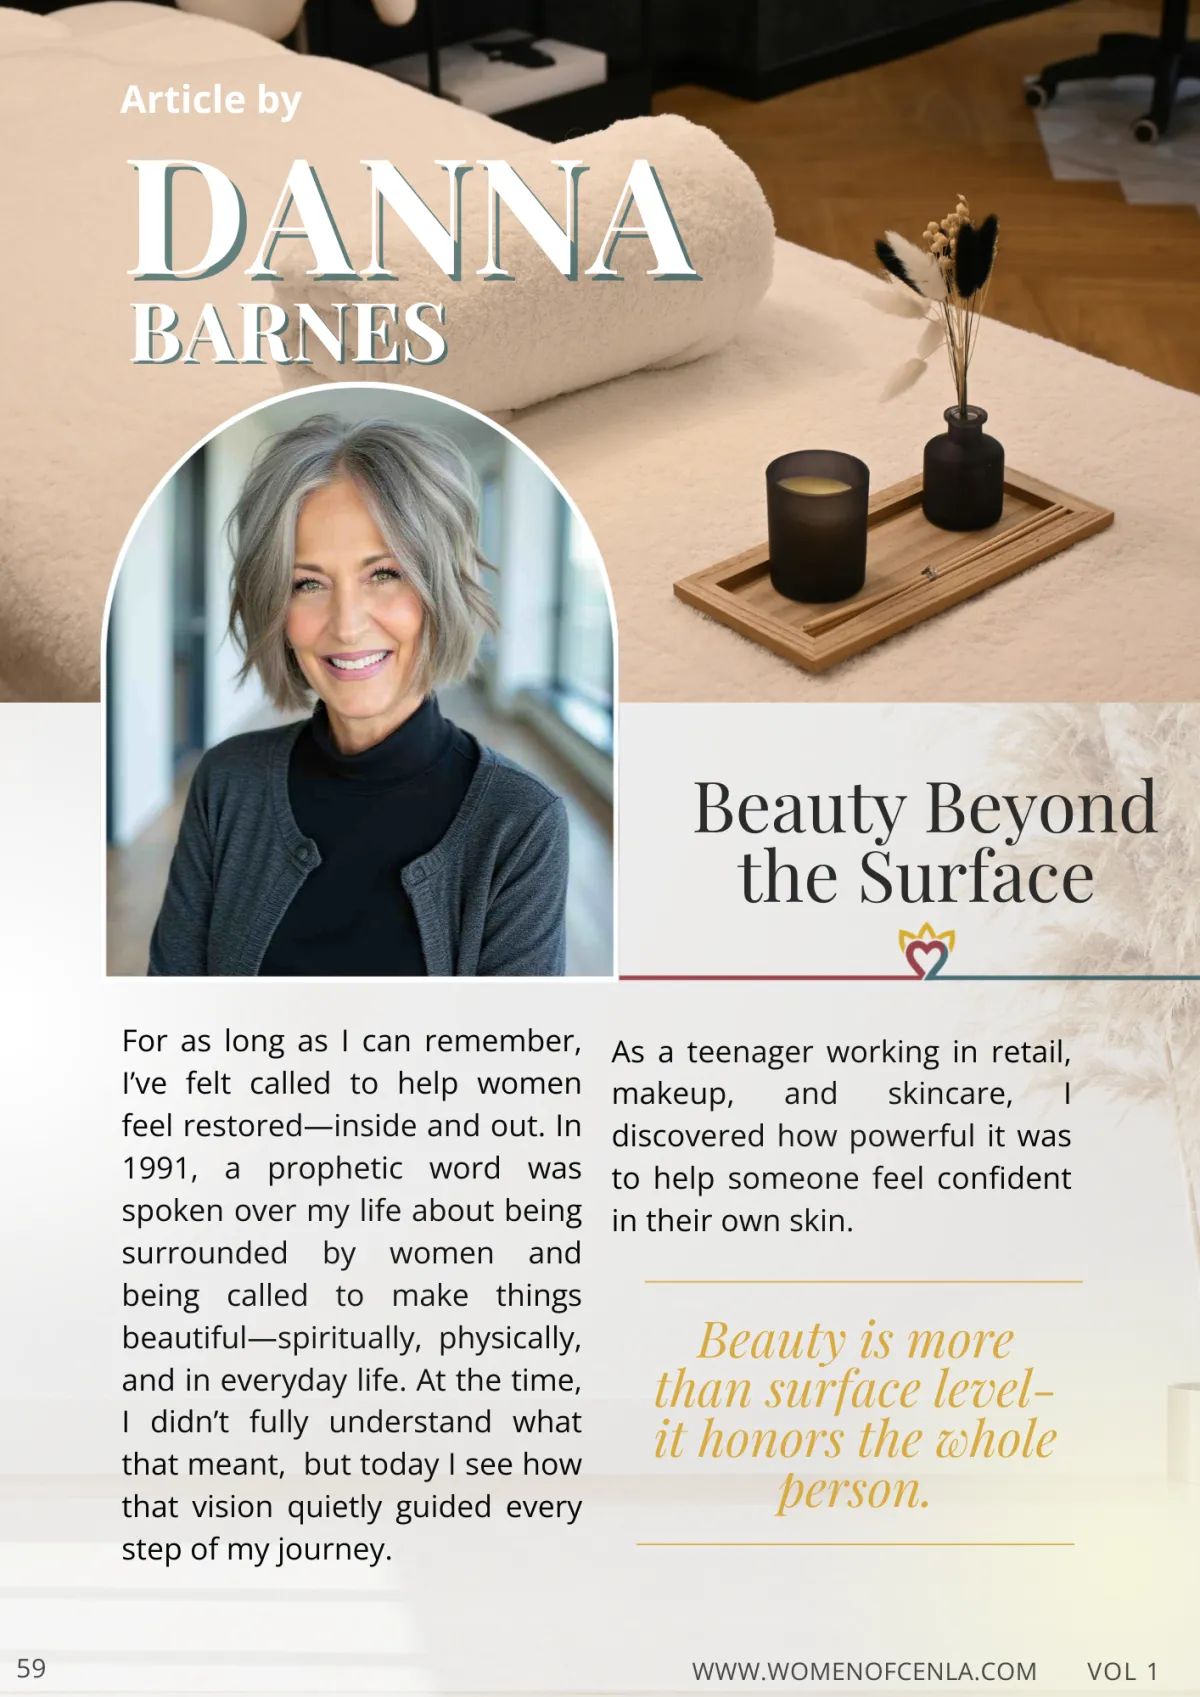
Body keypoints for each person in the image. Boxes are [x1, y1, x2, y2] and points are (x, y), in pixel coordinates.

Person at [148, 414, 569, 976]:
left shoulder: (520, 822)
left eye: (384, 573)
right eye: (308, 583)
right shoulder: (226, 783)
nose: (346, 626)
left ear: (439, 588)